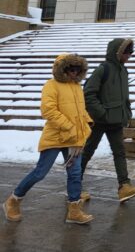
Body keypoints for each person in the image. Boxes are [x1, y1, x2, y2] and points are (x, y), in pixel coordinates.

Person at [3, 53, 94, 224]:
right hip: (55, 137)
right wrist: (69, 126)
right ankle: (13, 201)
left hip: (74, 138)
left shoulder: (77, 87)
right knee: (40, 172)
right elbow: (48, 110)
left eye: (77, 69)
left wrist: (87, 122)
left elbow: (80, 111)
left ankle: (74, 211)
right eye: (70, 68)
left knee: (74, 174)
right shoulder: (51, 85)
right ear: (62, 69)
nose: (74, 72)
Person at [81, 38, 135, 202]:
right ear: (118, 53)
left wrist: (127, 113)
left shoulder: (123, 71)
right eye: (127, 52)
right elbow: (88, 93)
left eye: (131, 52)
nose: (130, 55)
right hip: (100, 121)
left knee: (119, 152)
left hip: (116, 120)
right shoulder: (103, 69)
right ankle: (74, 185)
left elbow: (124, 97)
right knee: (87, 152)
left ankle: (124, 186)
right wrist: (101, 113)